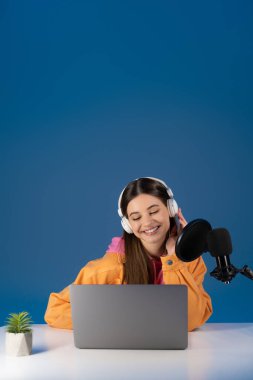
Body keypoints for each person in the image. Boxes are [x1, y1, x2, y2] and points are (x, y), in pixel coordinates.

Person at [44, 177, 213, 331]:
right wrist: (116, 320)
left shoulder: (189, 260)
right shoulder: (110, 267)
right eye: (136, 217)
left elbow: (191, 320)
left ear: (171, 210)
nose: (147, 222)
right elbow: (55, 309)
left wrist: (173, 260)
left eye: (154, 211)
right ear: (128, 224)